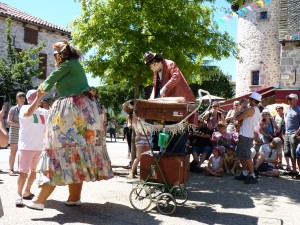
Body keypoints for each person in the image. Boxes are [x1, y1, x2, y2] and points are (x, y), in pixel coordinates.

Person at [26, 40, 114, 210]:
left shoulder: (68, 64)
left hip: (72, 112)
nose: (54, 58)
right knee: (76, 150)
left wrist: (38, 96)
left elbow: (50, 81)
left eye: (55, 54)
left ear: (62, 55)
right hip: (85, 110)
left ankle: (39, 200)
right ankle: (74, 197)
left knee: (57, 150)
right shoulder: (75, 64)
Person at [143, 51, 195, 153]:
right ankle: (157, 150)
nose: (152, 68)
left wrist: (166, 87)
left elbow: (177, 76)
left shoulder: (170, 64)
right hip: (166, 105)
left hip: (178, 102)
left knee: (178, 130)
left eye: (152, 65)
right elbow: (156, 88)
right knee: (158, 127)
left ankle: (174, 154)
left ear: (155, 61)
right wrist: (151, 100)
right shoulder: (156, 72)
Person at [15, 90, 48, 207]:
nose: (38, 98)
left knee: (34, 172)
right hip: (26, 147)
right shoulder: (24, 108)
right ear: (29, 98)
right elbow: (29, 113)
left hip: (39, 148)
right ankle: (18, 195)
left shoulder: (44, 111)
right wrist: (38, 98)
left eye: (39, 96)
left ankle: (27, 192)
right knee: (23, 172)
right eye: (34, 96)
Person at [234, 92, 262, 184]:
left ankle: (253, 175)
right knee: (243, 156)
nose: (249, 101)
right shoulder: (256, 109)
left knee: (247, 157)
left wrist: (239, 109)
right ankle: (245, 173)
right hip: (246, 135)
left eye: (250, 99)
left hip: (246, 135)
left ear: (253, 101)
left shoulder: (251, 109)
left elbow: (238, 118)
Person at [7, 92, 26, 176]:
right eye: (20, 97)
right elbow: (9, 122)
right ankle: (11, 170)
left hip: (24, 132)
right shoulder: (13, 109)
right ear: (17, 99)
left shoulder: (27, 108)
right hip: (14, 131)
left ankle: (20, 169)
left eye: (23, 97)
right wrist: (20, 125)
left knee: (22, 151)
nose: (22, 98)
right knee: (13, 151)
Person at [283, 93, 300, 178]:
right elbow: (285, 118)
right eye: (288, 99)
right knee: (287, 152)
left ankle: (296, 170)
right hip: (287, 133)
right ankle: (293, 170)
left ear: (295, 100)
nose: (288, 100)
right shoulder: (288, 109)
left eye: (290, 99)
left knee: (295, 153)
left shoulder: (299, 109)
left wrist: (296, 134)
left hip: (294, 134)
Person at [273, 105, 289, 170]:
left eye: (279, 108)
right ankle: (279, 164)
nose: (278, 110)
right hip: (277, 134)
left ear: (282, 109)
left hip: (283, 134)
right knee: (277, 149)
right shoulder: (274, 117)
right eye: (277, 109)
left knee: (285, 149)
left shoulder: (285, 116)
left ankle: (288, 165)